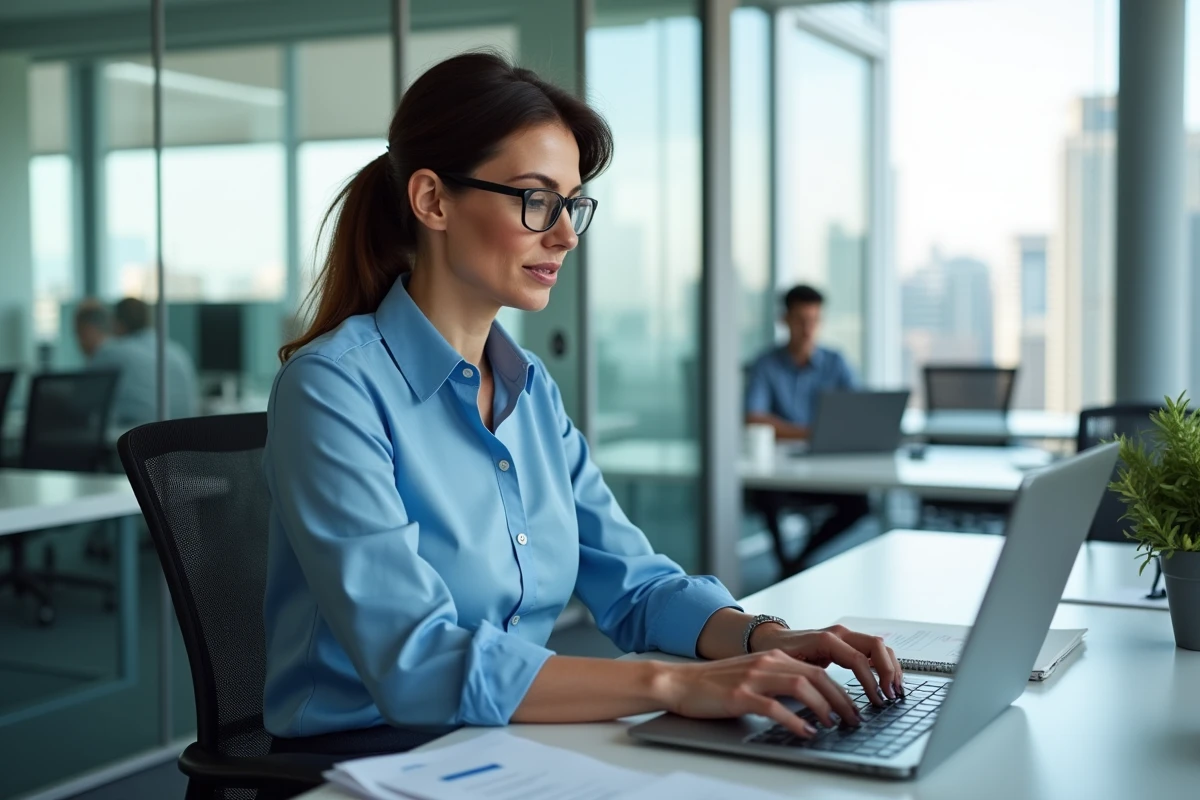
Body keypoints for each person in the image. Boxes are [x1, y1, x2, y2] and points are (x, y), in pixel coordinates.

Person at [262, 52, 902, 757]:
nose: (565, 234)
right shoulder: (333, 390)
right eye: (537, 200)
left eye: (572, 205)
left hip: (511, 738)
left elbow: (636, 587)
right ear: (433, 201)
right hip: (371, 758)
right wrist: (674, 686)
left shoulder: (528, 388)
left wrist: (767, 638)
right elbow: (417, 663)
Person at [744, 285, 871, 576]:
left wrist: (795, 431)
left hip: (826, 468)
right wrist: (813, 433)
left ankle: (797, 560)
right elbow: (755, 419)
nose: (808, 329)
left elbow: (859, 413)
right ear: (784, 320)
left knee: (860, 504)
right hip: (779, 470)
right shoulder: (766, 364)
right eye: (801, 320)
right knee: (765, 496)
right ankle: (786, 560)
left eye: (814, 320)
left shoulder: (835, 362)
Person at [79, 297, 199, 427]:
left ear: (117, 324)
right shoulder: (178, 352)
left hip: (138, 441)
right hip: (183, 442)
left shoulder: (111, 353)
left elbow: (81, 402)